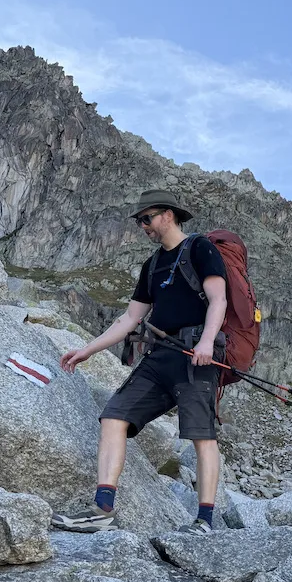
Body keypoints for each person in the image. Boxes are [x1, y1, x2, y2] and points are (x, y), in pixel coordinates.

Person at [53, 189, 228, 534]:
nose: (142, 226)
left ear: (168, 215)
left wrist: (207, 341)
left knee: (201, 435)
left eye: (146, 218)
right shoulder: (152, 265)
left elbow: (218, 300)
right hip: (159, 354)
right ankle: (102, 510)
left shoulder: (201, 248)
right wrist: (88, 349)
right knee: (114, 415)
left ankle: (205, 522)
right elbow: (130, 318)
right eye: (139, 221)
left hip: (196, 354)